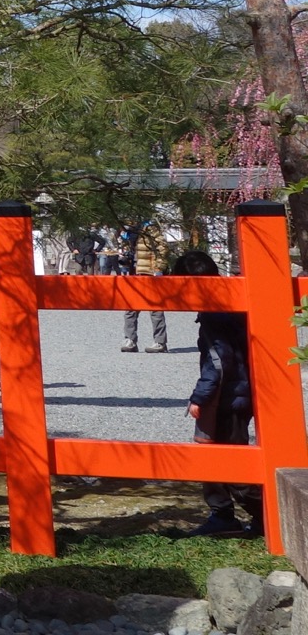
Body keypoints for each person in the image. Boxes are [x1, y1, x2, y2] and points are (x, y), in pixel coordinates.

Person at [175, 249, 263, 535]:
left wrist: (200, 397)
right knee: (215, 451)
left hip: (230, 394)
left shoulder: (214, 310)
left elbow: (219, 360)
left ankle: (260, 513)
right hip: (242, 390)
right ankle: (225, 513)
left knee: (225, 457)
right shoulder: (231, 297)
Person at [121, 222, 169, 353]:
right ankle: (130, 340)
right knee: (130, 308)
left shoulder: (150, 228)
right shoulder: (128, 232)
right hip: (134, 274)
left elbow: (163, 247)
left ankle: (160, 342)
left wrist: (158, 267)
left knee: (155, 309)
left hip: (149, 272)